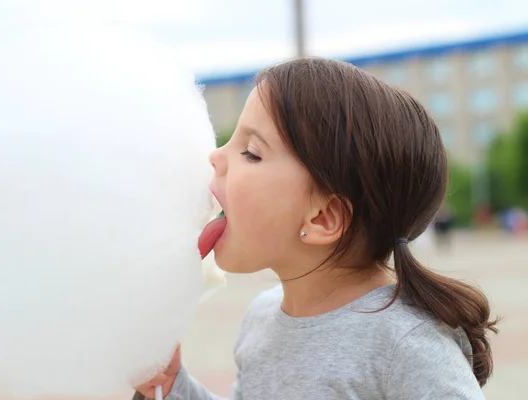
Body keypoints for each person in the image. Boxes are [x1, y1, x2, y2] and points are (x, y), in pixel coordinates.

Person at [134, 58, 498, 399]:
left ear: (323, 218)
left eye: (251, 152)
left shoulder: (404, 342)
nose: (215, 156)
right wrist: (175, 386)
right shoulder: (262, 316)